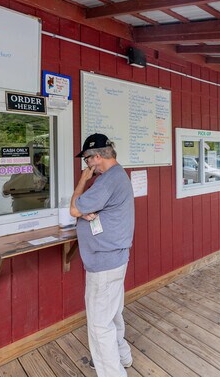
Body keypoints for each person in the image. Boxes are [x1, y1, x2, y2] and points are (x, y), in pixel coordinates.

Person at [70, 133, 135, 377]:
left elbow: (74, 208)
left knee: (99, 325)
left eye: (87, 160)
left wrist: (82, 181)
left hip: (104, 262)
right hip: (114, 259)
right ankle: (123, 356)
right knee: (112, 315)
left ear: (97, 156)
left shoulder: (107, 180)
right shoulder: (118, 176)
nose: (86, 166)